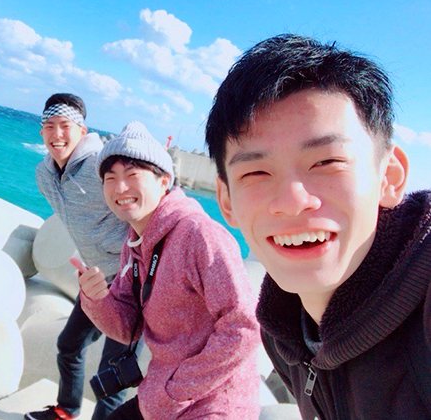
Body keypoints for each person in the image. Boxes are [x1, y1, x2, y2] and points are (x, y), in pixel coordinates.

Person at [206, 34, 431, 419]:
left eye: (326, 162)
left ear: (389, 177)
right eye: (256, 172)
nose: (293, 200)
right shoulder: (284, 331)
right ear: (227, 202)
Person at [78, 121, 260, 420]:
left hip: (214, 404)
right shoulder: (135, 242)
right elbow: (127, 328)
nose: (120, 188)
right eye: (110, 178)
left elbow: (245, 325)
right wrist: (96, 299)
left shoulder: (199, 235)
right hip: (163, 396)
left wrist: (175, 392)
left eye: (132, 175)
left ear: (164, 181)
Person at [26, 94, 134, 420]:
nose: (56, 134)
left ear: (82, 130)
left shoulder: (103, 165)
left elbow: (149, 200)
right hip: (95, 278)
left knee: (113, 373)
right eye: (49, 126)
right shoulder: (44, 174)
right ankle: (67, 410)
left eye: (65, 126)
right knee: (69, 345)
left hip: (131, 280)